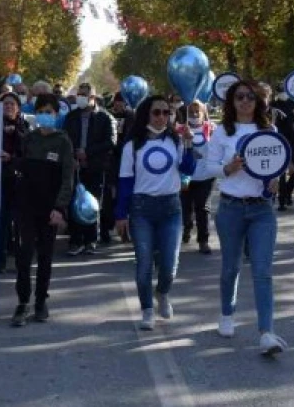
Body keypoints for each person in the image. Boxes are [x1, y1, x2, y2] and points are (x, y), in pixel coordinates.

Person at [207, 80, 287, 356]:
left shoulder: (269, 131)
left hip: (262, 209)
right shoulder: (222, 132)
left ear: (259, 102)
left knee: (262, 270)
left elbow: (278, 164)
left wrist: (276, 180)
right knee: (231, 267)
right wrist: (227, 169)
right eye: (239, 97)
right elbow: (208, 166)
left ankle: (267, 333)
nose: (245, 101)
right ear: (231, 101)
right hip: (231, 208)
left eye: (250, 97)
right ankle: (227, 314)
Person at [114, 95, 196, 330]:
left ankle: (163, 292)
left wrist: (189, 144)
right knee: (144, 265)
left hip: (171, 208)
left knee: (170, 266)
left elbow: (188, 169)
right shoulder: (133, 145)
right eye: (156, 112)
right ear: (146, 115)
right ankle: (147, 309)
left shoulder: (175, 140)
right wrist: (120, 214)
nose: (162, 117)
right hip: (141, 209)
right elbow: (125, 182)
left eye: (166, 112)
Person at [10, 94, 75, 327]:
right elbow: (21, 166)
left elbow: (68, 178)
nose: (45, 116)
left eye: (50, 111)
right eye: (41, 111)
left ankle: (40, 302)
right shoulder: (29, 139)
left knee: (45, 257)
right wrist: (10, 160)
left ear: (56, 115)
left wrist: (60, 208)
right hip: (26, 207)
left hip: (49, 210)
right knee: (24, 256)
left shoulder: (63, 142)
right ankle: (23, 302)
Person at [63, 82, 117, 256]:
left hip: (96, 167)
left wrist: (88, 152)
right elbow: (65, 139)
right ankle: (75, 241)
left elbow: (111, 142)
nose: (80, 97)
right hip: (76, 168)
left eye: (84, 94)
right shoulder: (71, 117)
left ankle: (91, 240)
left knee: (93, 204)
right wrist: (73, 156)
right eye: (79, 94)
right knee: (75, 203)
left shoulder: (105, 118)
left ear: (93, 97)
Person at [180, 100, 216, 254]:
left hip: (206, 176)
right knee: (185, 208)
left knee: (203, 208)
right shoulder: (181, 130)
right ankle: (186, 228)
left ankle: (203, 240)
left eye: (197, 112)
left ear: (203, 113)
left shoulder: (211, 128)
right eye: (191, 112)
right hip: (186, 177)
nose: (194, 115)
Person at [0, 93, 29, 274]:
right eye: (5, 104)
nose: (8, 107)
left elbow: (27, 152)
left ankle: (20, 260)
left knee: (19, 222)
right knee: (1, 222)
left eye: (11, 104)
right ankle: (0, 261)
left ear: (18, 108)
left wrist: (11, 157)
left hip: (17, 180)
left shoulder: (23, 126)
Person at [102, 93, 137, 244]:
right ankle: (106, 229)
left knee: (126, 195)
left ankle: (125, 231)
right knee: (110, 197)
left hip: (127, 159)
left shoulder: (131, 116)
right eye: (117, 102)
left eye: (122, 102)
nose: (119, 105)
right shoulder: (107, 116)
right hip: (111, 162)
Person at [271, 84, 294, 211]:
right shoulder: (273, 105)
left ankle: (288, 193)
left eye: (283, 91)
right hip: (279, 141)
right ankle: (282, 201)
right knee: (282, 173)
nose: (281, 93)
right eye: (279, 91)